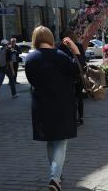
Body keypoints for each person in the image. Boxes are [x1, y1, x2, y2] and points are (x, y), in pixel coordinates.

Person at [25, 26, 79, 191]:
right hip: (62, 104)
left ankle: (57, 173)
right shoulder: (60, 56)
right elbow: (76, 73)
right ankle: (55, 177)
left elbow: (31, 80)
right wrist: (75, 50)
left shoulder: (30, 58)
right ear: (50, 38)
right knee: (61, 141)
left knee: (51, 140)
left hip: (41, 104)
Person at [58, 29, 86, 126]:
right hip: (77, 76)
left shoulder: (61, 47)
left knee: (70, 98)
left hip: (66, 77)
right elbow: (83, 61)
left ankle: (72, 118)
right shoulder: (78, 46)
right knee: (79, 97)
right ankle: (81, 117)